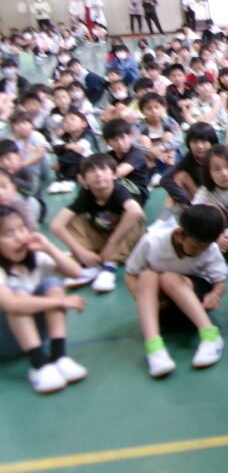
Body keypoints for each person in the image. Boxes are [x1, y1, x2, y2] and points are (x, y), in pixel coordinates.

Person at [124, 204, 228, 378]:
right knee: (147, 276)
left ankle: (210, 335)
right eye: (195, 246)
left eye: (206, 247)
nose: (200, 252)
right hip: (164, 309)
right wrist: (140, 297)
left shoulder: (210, 249)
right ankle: (154, 349)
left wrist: (215, 294)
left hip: (195, 303)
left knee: (168, 278)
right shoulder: (152, 241)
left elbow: (220, 283)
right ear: (179, 235)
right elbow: (130, 275)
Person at [0, 206, 88, 394]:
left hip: (36, 336)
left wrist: (48, 247)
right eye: (9, 234)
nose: (19, 237)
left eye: (22, 229)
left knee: (52, 283)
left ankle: (59, 356)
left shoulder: (35, 258)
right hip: (4, 342)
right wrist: (61, 302)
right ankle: (38, 365)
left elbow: (76, 272)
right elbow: (12, 304)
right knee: (19, 294)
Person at [49, 154, 146, 294]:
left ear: (114, 174)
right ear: (83, 180)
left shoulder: (119, 190)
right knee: (72, 219)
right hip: (103, 238)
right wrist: (81, 252)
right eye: (92, 171)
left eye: (103, 169)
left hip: (126, 242)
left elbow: (135, 211)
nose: (98, 174)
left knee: (135, 217)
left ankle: (109, 267)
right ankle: (90, 263)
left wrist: (111, 244)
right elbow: (56, 225)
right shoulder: (86, 194)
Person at [102, 119, 152, 206]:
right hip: (116, 189)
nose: (120, 143)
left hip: (137, 192)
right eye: (114, 140)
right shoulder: (108, 156)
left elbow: (118, 173)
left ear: (130, 136)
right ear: (108, 143)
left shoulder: (137, 153)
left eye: (122, 138)